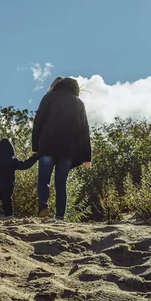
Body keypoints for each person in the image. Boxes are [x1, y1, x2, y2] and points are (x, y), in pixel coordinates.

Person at [32, 77, 91, 220]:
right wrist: (87, 157)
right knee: (61, 183)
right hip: (67, 150)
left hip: (47, 146)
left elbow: (38, 122)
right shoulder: (79, 103)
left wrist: (35, 146)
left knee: (43, 180)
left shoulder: (49, 98)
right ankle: (60, 216)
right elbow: (85, 130)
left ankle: (43, 207)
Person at [0, 138, 38, 219]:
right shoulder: (13, 161)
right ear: (11, 149)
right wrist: (34, 158)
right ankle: (8, 217)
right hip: (7, 187)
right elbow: (24, 165)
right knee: (7, 203)